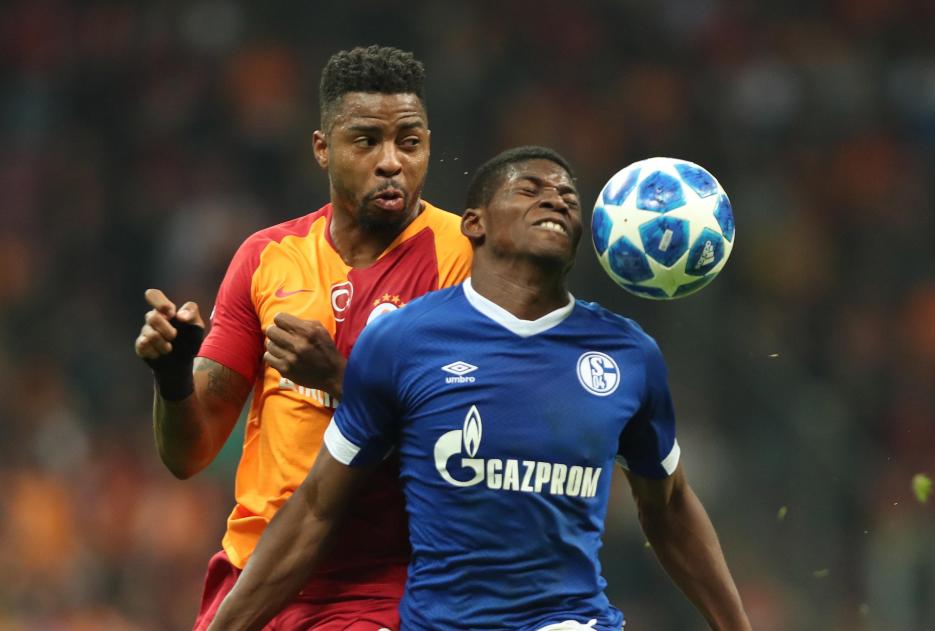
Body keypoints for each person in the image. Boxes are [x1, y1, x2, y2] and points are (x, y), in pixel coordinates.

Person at [205, 146, 752, 631]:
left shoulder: (627, 355)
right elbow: (317, 508)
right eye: (530, 189)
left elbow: (670, 505)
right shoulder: (402, 342)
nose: (556, 200)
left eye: (568, 196)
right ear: (475, 223)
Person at [133, 46, 472, 631]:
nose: (391, 162)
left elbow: (471, 440)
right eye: (366, 141)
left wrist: (341, 379)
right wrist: (171, 378)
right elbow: (188, 455)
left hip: (381, 584)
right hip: (255, 574)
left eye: (408, 142)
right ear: (323, 148)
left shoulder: (463, 258)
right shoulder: (266, 259)